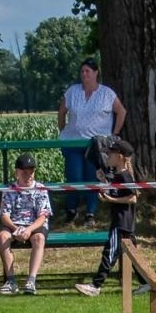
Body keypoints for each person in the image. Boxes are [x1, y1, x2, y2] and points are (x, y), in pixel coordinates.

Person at [57, 59, 126, 227]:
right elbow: (61, 112)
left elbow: (121, 111)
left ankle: (90, 213)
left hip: (96, 145)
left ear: (96, 73)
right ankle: (71, 211)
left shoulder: (107, 94)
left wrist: (114, 134)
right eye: (82, 71)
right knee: (75, 177)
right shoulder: (72, 92)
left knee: (92, 177)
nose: (84, 74)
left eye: (88, 71)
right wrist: (63, 129)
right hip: (73, 143)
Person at [74, 139, 138, 297]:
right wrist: (104, 182)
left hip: (121, 222)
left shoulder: (125, 176)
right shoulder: (118, 176)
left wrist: (111, 200)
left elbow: (133, 198)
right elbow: (118, 192)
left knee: (109, 253)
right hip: (122, 221)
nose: (107, 156)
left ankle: (96, 285)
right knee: (134, 256)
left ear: (120, 156)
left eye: (110, 154)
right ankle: (147, 283)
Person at [0, 153, 52, 296]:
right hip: (14, 224)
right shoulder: (9, 190)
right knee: (2, 236)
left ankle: (31, 280)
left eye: (31, 172)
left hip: (34, 224)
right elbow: (4, 215)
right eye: (25, 172)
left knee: (39, 238)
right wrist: (17, 229)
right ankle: (11, 281)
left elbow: (43, 215)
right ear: (17, 172)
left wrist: (29, 229)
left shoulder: (40, 188)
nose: (29, 175)